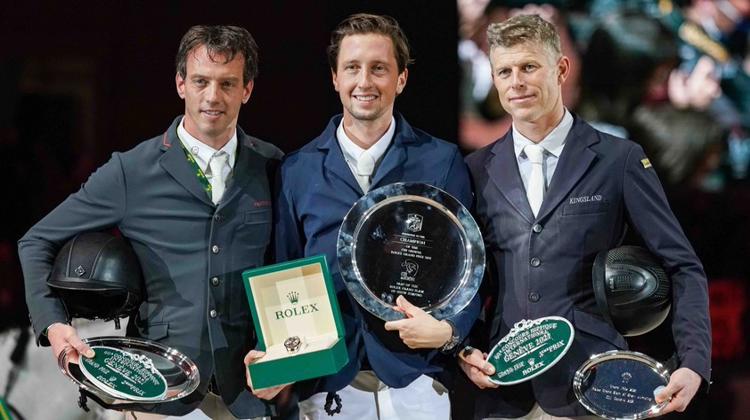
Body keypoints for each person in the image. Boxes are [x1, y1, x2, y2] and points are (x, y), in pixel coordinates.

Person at [18, 25, 282, 420]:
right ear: (180, 84)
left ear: (247, 90)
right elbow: (35, 241)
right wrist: (54, 327)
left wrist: (285, 363)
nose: (213, 96)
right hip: (156, 393)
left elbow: (290, 268)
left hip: (247, 396)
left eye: (227, 83)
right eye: (200, 81)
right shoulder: (130, 171)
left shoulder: (273, 165)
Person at [460, 14, 711, 419]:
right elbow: (469, 280)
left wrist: (694, 362)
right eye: (504, 71)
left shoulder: (619, 159)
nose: (516, 82)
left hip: (593, 385)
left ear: (561, 69)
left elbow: (682, 266)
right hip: (504, 389)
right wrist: (464, 346)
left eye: (528, 67)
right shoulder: (476, 169)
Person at [265, 13, 479, 420]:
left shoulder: (441, 161)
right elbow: (284, 274)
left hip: (417, 379)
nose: (364, 82)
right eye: (352, 68)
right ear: (335, 78)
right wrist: (282, 362)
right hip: (329, 386)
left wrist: (452, 332)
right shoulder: (298, 170)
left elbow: (468, 270)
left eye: (379, 68)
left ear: (400, 79)